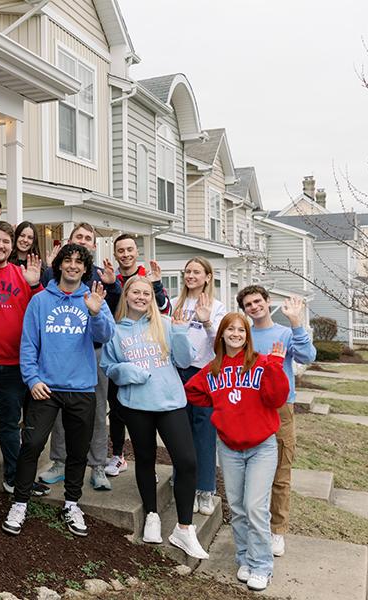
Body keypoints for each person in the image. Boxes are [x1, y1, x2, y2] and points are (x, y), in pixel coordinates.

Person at [2, 243, 113, 537]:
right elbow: (28, 344)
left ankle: (72, 503)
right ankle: (20, 502)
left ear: (85, 269)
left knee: (78, 451)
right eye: (68, 260)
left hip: (82, 389)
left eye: (79, 262)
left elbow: (105, 337)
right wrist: (32, 379)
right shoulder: (40, 301)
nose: (73, 266)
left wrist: (95, 313)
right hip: (46, 388)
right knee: (32, 445)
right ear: (60, 265)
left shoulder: (94, 300)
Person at [101, 277, 209, 559]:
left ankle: (184, 529)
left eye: (146, 293)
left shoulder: (166, 323)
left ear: (152, 297)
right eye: (135, 292)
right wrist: (126, 371)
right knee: (145, 460)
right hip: (136, 405)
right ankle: (151, 514)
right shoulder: (115, 330)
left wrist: (183, 332)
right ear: (126, 295)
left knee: (187, 461)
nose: (140, 297)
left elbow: (184, 361)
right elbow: (108, 366)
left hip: (170, 401)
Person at [185, 314, 289, 592]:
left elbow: (277, 399)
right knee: (239, 509)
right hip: (229, 448)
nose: (235, 333)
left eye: (240, 329)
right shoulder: (213, 368)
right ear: (221, 335)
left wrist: (276, 367)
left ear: (247, 335)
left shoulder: (262, 362)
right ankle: (244, 558)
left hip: (261, 447)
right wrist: (218, 405)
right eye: (230, 329)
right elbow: (192, 391)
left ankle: (262, 565)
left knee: (255, 507)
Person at [38, 222, 121, 492]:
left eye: (88, 238)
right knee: (60, 412)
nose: (83, 241)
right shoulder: (58, 270)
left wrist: (114, 286)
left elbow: (112, 313)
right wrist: (49, 269)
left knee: (96, 411)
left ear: (93, 246)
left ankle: (97, 465)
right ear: (69, 241)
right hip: (61, 353)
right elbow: (44, 296)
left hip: (92, 353)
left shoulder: (100, 276)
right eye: (79, 237)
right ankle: (60, 463)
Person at [0, 221, 51, 498]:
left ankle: (13, 478)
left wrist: (36, 285)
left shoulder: (22, 274)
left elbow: (41, 312)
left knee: (9, 424)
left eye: (6, 241)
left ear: (12, 244)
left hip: (14, 365)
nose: (1, 246)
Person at [236, 286, 316, 558]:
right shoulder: (243, 335)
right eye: (248, 304)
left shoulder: (284, 333)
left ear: (267, 302)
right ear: (244, 309)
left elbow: (307, 357)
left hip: (281, 409)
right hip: (250, 408)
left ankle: (277, 531)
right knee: (251, 472)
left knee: (280, 473)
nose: (254, 307)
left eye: (258, 301)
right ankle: (253, 525)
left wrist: (296, 322)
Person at [105, 233, 171, 477]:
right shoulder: (111, 277)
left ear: (136, 251)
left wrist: (156, 284)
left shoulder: (147, 276)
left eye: (129, 249)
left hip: (147, 350)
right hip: (121, 347)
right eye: (120, 250)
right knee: (117, 405)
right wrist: (112, 285)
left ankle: (148, 463)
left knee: (145, 410)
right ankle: (118, 455)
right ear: (115, 254)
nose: (125, 254)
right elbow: (109, 311)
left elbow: (164, 308)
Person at [170, 257, 227, 516]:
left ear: (207, 276)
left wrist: (206, 322)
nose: (191, 275)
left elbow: (221, 344)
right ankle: (184, 483)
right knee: (179, 432)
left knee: (203, 433)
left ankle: (204, 489)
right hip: (177, 373)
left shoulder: (217, 307)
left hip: (205, 373)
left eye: (196, 272)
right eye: (188, 271)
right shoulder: (174, 304)